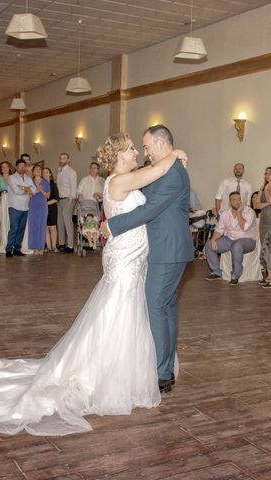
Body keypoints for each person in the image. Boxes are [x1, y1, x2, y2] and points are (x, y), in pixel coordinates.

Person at [0, 131, 181, 436]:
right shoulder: (119, 180)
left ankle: (124, 368)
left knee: (125, 311)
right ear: (118, 156)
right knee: (120, 310)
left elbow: (151, 176)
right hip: (125, 259)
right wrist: (177, 153)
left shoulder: (123, 178)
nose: (136, 153)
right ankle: (109, 374)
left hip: (131, 257)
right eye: (132, 149)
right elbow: (156, 170)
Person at [103, 125, 194, 393]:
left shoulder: (173, 174)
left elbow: (150, 209)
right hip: (158, 250)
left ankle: (162, 373)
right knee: (164, 307)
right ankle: (164, 367)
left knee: (156, 306)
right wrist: (175, 154)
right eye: (138, 148)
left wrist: (112, 225)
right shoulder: (166, 169)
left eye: (146, 146)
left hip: (167, 250)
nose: (144, 152)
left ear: (161, 143)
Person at [205, 191, 258, 286]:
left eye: (239, 199)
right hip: (230, 239)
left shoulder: (249, 212)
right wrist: (213, 239)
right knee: (209, 245)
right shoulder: (225, 214)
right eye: (234, 200)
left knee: (236, 245)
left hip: (248, 240)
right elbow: (219, 229)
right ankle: (217, 272)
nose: (237, 201)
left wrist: (239, 213)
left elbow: (244, 227)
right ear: (230, 202)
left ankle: (235, 276)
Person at [6, 159, 36, 257]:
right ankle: (9, 249)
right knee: (14, 228)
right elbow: (16, 191)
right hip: (14, 206)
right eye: (20, 166)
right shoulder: (11, 178)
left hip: (25, 207)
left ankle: (17, 248)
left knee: (21, 229)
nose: (22, 168)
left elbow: (34, 190)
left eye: (24, 166)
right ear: (16, 167)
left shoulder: (28, 178)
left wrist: (22, 187)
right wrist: (27, 189)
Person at [56, 152, 78, 253]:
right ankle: (61, 243)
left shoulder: (71, 172)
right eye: (61, 158)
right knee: (60, 222)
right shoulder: (59, 171)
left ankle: (70, 246)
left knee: (68, 222)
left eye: (64, 158)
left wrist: (71, 201)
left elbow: (73, 187)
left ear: (68, 160)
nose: (62, 160)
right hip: (59, 199)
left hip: (69, 199)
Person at [28, 165, 50, 255]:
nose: (37, 170)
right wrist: (37, 190)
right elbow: (29, 195)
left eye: (39, 169)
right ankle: (33, 247)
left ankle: (40, 247)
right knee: (32, 226)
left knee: (41, 226)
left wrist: (42, 191)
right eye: (36, 169)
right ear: (33, 172)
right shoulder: (30, 182)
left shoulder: (45, 182)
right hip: (33, 206)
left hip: (42, 206)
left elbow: (48, 196)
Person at [0, 161, 13, 253]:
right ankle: (2, 241)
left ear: (9, 168)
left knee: (11, 220)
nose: (5, 168)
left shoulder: (13, 177)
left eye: (6, 166)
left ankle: (10, 241)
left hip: (11, 200)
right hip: (1, 200)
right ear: (1, 168)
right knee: (2, 220)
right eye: (3, 167)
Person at [43, 167, 59, 252]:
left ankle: (54, 247)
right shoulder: (40, 185)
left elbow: (56, 198)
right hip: (42, 209)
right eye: (43, 172)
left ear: (50, 174)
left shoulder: (53, 185)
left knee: (53, 228)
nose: (45, 174)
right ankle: (48, 247)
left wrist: (46, 203)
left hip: (52, 208)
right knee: (45, 228)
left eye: (47, 172)